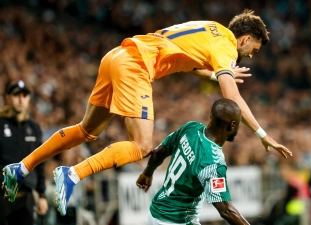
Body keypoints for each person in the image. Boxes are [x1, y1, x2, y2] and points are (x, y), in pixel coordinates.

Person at [3, 10, 292, 216]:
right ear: (244, 40)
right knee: (141, 146)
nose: (250, 56)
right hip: (136, 66)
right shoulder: (227, 47)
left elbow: (184, 59)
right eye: (252, 50)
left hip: (116, 56)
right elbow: (233, 100)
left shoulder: (211, 28)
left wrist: (218, 74)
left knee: (86, 130)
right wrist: (262, 135)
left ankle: (21, 168)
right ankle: (73, 174)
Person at [135, 98, 249, 225]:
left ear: (211, 116)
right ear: (232, 125)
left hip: (155, 213)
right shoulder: (213, 163)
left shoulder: (190, 128)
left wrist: (147, 173)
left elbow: (159, 152)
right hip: (176, 221)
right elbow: (226, 210)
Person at [0, 80, 48, 225]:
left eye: (25, 95)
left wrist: (42, 195)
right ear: (7, 98)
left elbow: (40, 162)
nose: (21, 99)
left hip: (26, 197)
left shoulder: (34, 128)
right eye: (16, 95)